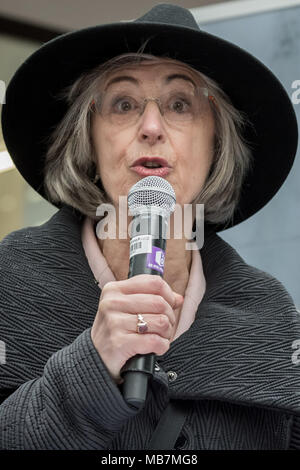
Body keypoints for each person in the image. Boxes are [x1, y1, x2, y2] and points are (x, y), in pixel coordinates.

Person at [0, 3, 299, 450]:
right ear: (89, 137)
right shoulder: (10, 281)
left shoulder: (269, 313)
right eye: (123, 104)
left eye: (180, 104)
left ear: (217, 140)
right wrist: (91, 367)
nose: (152, 126)